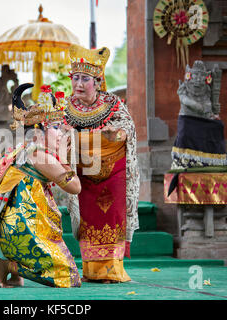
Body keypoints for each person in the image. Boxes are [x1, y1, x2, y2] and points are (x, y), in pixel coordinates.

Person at [0, 83, 82, 288]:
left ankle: (4, 265)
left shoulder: (22, 150)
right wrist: (64, 158)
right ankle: (13, 266)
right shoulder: (41, 155)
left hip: (1, 232)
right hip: (18, 231)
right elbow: (75, 187)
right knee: (68, 276)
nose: (62, 134)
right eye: (56, 128)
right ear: (38, 133)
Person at [63, 44, 140, 283]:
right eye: (75, 78)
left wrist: (113, 131)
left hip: (113, 172)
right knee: (89, 221)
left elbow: (128, 129)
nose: (78, 84)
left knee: (112, 217)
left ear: (97, 81)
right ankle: (91, 271)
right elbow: (56, 133)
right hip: (83, 175)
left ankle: (113, 272)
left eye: (84, 79)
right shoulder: (66, 108)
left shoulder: (114, 104)